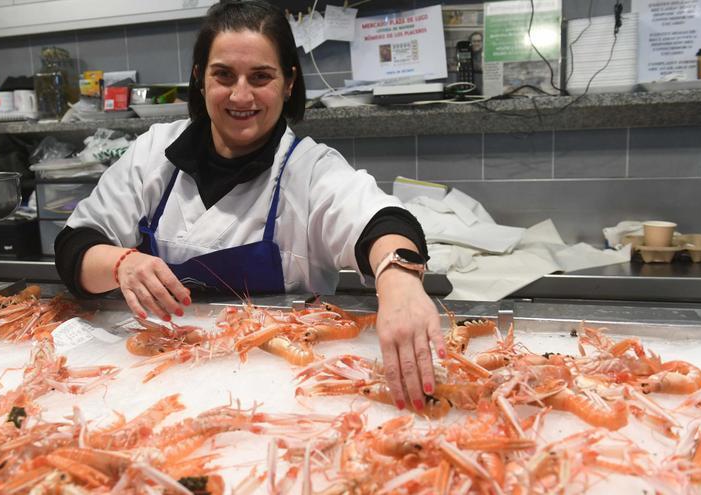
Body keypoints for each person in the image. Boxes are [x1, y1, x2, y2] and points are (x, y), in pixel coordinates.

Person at [55, 0, 444, 412]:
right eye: (223, 75)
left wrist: (399, 279)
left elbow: (381, 221)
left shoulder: (309, 169)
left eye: (261, 77)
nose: (241, 95)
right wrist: (120, 264)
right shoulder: (154, 152)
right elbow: (75, 245)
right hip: (154, 384)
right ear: (199, 79)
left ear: (289, 83)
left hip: (278, 393)